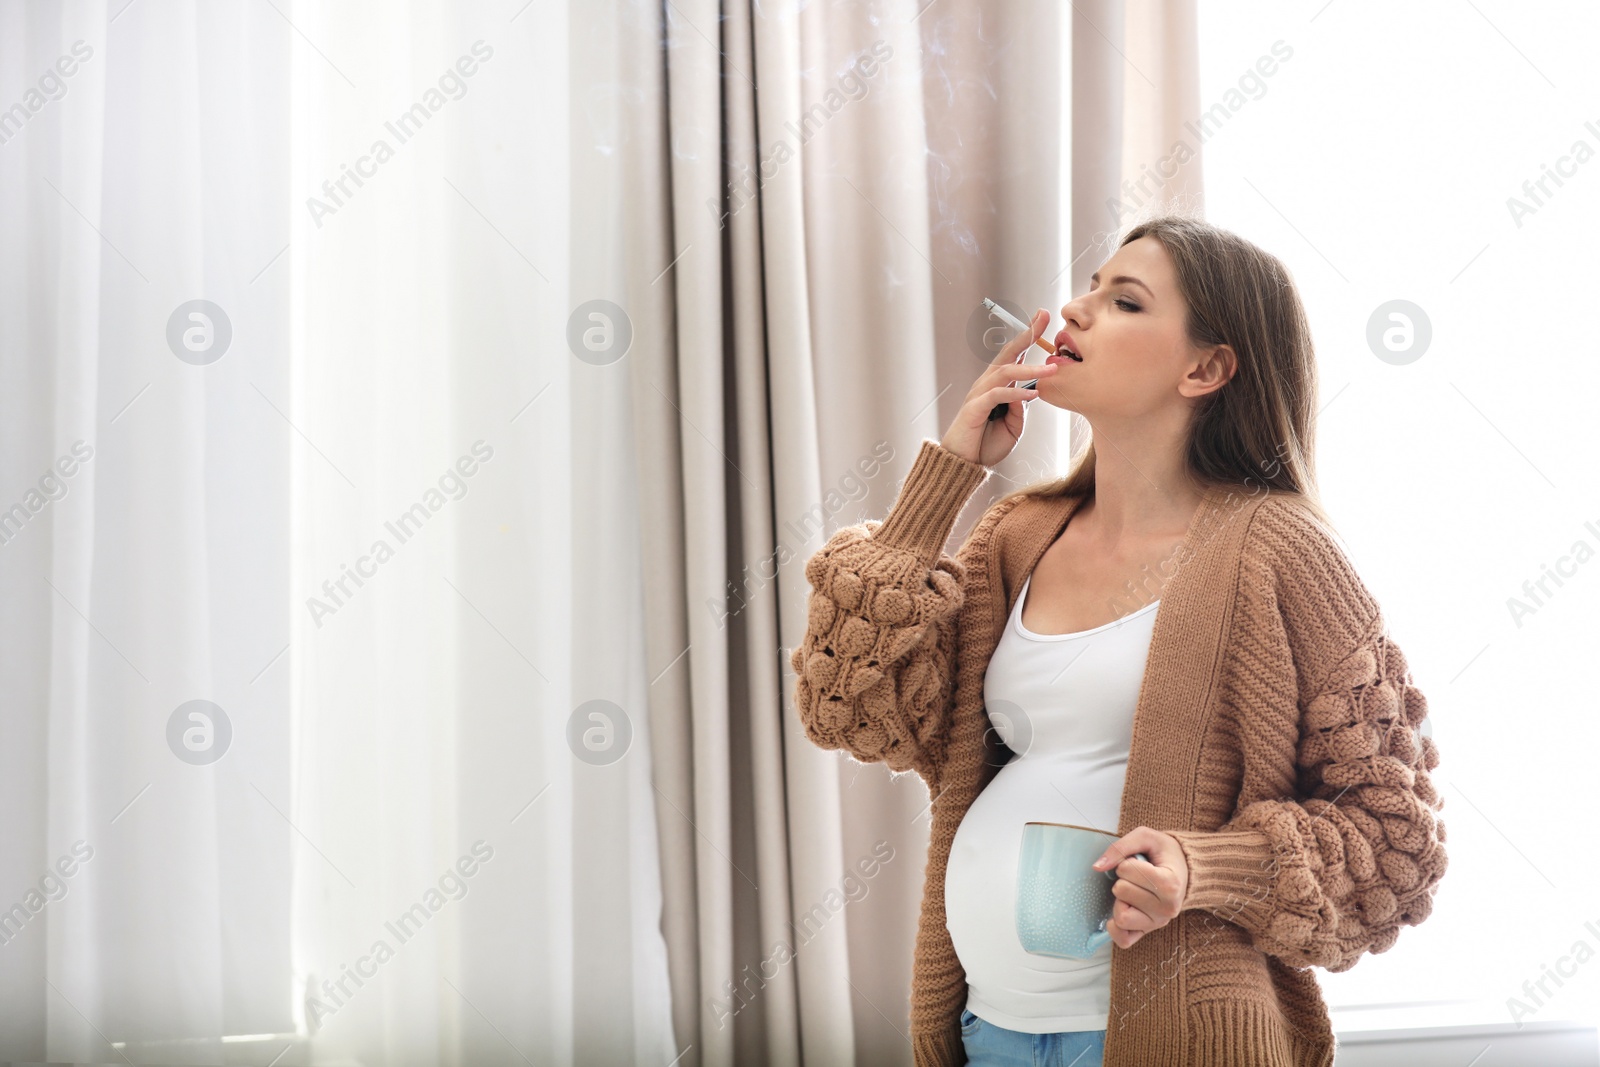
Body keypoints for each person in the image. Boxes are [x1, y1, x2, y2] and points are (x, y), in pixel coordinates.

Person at [790, 215, 1448, 1067]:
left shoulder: (1282, 551)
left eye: (1124, 300)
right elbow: (847, 705)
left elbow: (1397, 842)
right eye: (1089, 288)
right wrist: (947, 475)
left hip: (1180, 1041)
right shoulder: (1017, 535)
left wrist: (1203, 868)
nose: (1076, 310)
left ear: (1205, 368)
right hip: (989, 1033)